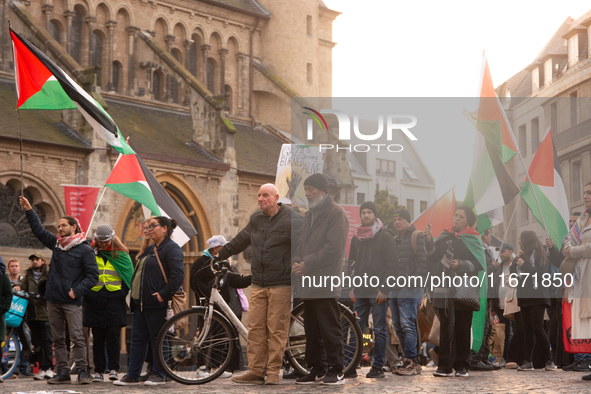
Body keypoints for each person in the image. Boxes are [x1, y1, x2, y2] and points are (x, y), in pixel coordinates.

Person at [215, 184, 300, 386]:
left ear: (276, 197)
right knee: (255, 328)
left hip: (281, 282)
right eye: (259, 195)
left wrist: (295, 266)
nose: (260, 199)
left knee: (276, 329)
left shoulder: (292, 219)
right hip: (259, 282)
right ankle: (255, 370)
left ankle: (272, 372)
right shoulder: (256, 219)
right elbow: (240, 241)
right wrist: (220, 255)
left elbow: (303, 246)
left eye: (265, 195)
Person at [19, 196, 98, 385]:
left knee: (78, 337)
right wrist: (30, 210)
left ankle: (82, 371)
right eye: (59, 225)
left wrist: (76, 291)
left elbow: (92, 277)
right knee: (58, 338)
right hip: (53, 300)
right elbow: (38, 230)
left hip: (72, 301)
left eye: (63, 225)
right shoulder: (56, 244)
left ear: (74, 227)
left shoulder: (85, 249)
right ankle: (62, 371)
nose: (60, 228)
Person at [114, 216, 184, 386]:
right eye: (147, 227)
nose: (148, 229)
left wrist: (163, 294)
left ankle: (160, 374)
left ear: (165, 228)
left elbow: (178, 276)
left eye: (152, 226)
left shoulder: (171, 248)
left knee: (158, 339)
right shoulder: (151, 248)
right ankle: (133, 375)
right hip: (141, 304)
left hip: (157, 304)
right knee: (137, 340)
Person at [292, 174, 349, 385]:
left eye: (311, 189)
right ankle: (317, 368)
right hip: (307, 281)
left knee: (329, 328)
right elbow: (301, 244)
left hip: (325, 280)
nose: (307, 193)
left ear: (323, 191)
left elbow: (333, 249)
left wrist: (307, 263)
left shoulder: (336, 213)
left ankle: (337, 369)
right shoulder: (309, 215)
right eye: (305, 189)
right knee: (312, 329)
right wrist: (298, 262)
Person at [425, 206, 485, 378]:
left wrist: (461, 264)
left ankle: (461, 365)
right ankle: (444, 366)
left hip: (464, 287)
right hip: (444, 285)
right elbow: (433, 256)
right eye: (455, 215)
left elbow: (479, 263)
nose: (456, 218)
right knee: (445, 326)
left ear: (468, 220)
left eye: (461, 216)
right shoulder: (445, 235)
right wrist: (429, 241)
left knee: (462, 326)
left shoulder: (473, 238)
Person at [348, 201, 397, 378]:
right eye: (363, 213)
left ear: (374, 215)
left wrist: (384, 289)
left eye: (369, 212)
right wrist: (351, 287)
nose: (366, 215)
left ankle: (377, 367)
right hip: (360, 292)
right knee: (355, 328)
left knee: (379, 330)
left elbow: (393, 266)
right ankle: (351, 366)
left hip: (378, 292)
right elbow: (351, 265)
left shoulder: (385, 236)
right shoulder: (356, 238)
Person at [191, 235, 252, 377]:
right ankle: (201, 366)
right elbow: (195, 283)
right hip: (206, 305)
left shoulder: (223, 263)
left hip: (222, 306)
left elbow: (233, 280)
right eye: (224, 247)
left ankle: (218, 365)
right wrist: (210, 292)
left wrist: (251, 279)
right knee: (205, 335)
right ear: (216, 248)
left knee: (221, 335)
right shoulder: (200, 262)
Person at [85, 225, 133, 382]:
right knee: (97, 337)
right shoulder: (90, 253)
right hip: (95, 299)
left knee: (113, 336)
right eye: (101, 241)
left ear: (112, 239)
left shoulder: (122, 255)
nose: (104, 244)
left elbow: (128, 278)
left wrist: (121, 293)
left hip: (114, 299)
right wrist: (89, 293)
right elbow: (85, 273)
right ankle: (99, 371)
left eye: (106, 241)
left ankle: (113, 369)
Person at [510, 230, 555, 371]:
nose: (518, 241)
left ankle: (549, 361)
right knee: (527, 329)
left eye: (520, 238)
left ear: (526, 240)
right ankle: (527, 361)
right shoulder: (522, 255)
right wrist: (515, 262)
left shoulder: (541, 254)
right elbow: (513, 273)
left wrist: (524, 264)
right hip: (524, 295)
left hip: (537, 296)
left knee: (537, 327)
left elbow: (541, 274)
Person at [389, 208, 426, 376]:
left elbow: (423, 262)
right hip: (395, 287)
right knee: (397, 326)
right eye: (395, 219)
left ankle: (411, 361)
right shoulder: (395, 239)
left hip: (410, 287)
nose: (397, 222)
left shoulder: (417, 236)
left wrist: (413, 281)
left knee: (407, 325)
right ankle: (409, 361)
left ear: (408, 221)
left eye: (400, 219)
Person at [563, 182, 591, 380]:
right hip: (582, 278)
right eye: (584, 192)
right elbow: (568, 238)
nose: (585, 196)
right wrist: (568, 247)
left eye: (589, 193)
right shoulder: (582, 218)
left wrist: (572, 251)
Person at [550, 212, 585, 371]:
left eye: (574, 221)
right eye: (570, 221)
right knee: (567, 326)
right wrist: (552, 249)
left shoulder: (583, 240)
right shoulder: (568, 241)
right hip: (566, 290)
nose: (572, 223)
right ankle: (571, 359)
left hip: (583, 285)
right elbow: (560, 262)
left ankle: (582, 359)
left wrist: (573, 251)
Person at [15, 253, 53, 380]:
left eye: (37, 259)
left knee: (47, 341)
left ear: (43, 261)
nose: (34, 262)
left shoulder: (49, 274)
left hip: (45, 313)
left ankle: (49, 368)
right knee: (37, 342)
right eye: (33, 260)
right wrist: (17, 286)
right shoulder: (29, 275)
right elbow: (21, 284)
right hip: (32, 314)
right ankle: (42, 368)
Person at [469, 229, 501, 371]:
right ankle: (475, 358)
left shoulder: (488, 251)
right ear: (483, 236)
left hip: (489, 293)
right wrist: (493, 267)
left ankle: (484, 357)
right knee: (483, 326)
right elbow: (481, 271)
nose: (490, 239)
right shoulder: (479, 250)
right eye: (488, 235)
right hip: (482, 292)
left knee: (488, 327)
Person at [5, 258, 34, 378]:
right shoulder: (5, 280)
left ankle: (24, 369)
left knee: (26, 341)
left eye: (16, 266)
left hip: (21, 318)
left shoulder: (24, 281)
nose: (14, 268)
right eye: (12, 266)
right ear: (8, 268)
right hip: (7, 317)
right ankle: (4, 369)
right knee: (4, 343)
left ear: (19, 268)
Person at [490, 243, 515, 368]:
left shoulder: (515, 265)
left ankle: (512, 357)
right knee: (503, 332)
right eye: (500, 252)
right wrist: (494, 307)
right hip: (500, 304)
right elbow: (494, 286)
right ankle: (504, 357)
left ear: (510, 251)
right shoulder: (498, 268)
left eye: (503, 251)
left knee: (513, 331)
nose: (501, 254)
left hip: (513, 303)